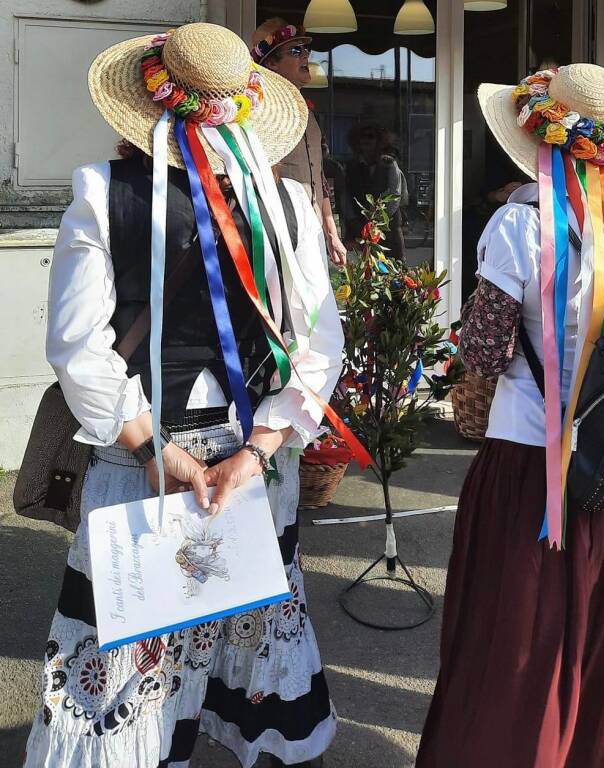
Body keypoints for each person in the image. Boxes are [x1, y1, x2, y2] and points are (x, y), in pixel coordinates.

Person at [24, 23, 344, 768]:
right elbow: (317, 347)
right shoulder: (291, 202)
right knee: (245, 612)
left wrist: (151, 449)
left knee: (131, 633)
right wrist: (258, 452)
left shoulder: (103, 192)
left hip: (145, 447)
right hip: (248, 452)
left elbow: (78, 346)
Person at [416, 64, 604, 768]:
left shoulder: (517, 222)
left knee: (516, 639)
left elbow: (482, 350)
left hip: (530, 463)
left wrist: (467, 404)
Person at [252, 18, 347, 267]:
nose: (306, 55)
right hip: (280, 231)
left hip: (311, 228)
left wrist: (331, 232)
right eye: (296, 50)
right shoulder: (259, 110)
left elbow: (320, 175)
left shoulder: (306, 111)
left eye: (306, 50)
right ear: (271, 63)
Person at [344, 123, 406, 260]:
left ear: (379, 141)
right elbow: (346, 197)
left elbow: (394, 196)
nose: (366, 141)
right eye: (362, 137)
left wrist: (376, 221)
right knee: (363, 274)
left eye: (371, 136)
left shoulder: (389, 164)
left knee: (394, 272)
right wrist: (354, 222)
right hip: (359, 231)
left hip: (388, 232)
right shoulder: (352, 167)